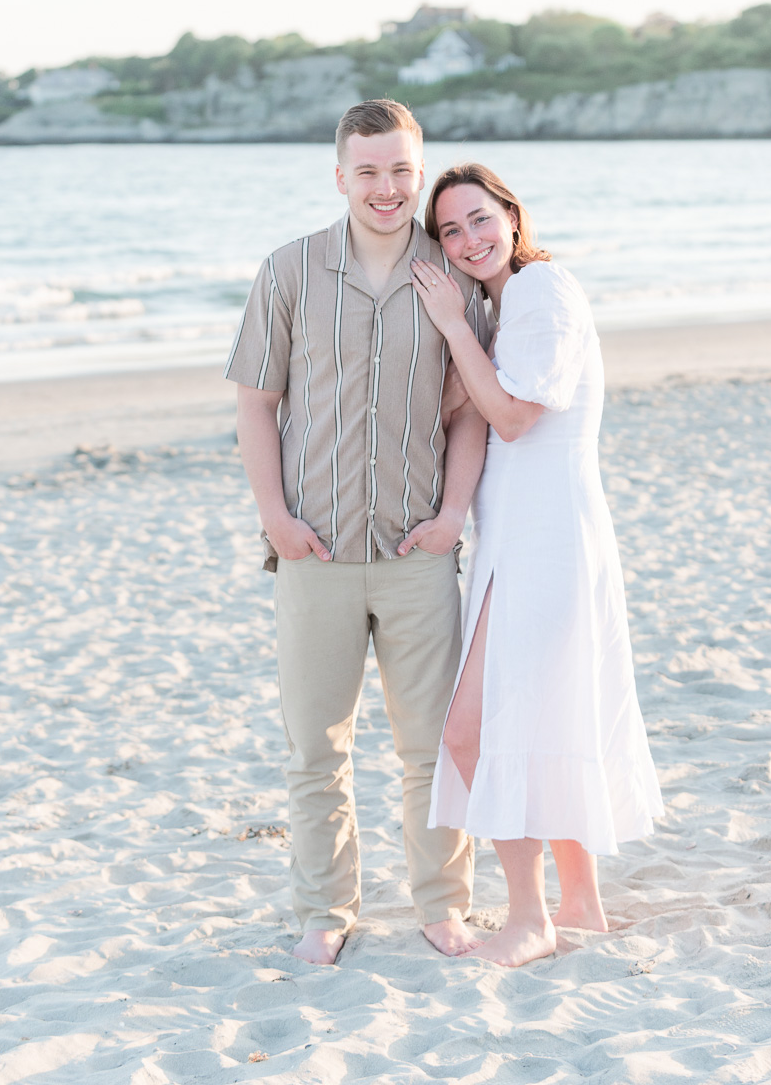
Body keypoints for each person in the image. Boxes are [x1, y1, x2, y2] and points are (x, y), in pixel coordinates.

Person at [225, 101, 492, 966]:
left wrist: (452, 517)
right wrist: (276, 519)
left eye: (401, 171)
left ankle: (443, 905)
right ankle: (323, 910)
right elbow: (256, 404)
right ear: (341, 176)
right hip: (317, 552)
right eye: (368, 171)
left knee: (431, 749)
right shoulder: (291, 271)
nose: (386, 188)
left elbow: (468, 415)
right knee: (316, 749)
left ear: (420, 174)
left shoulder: (450, 278)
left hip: (418, 555)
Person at [410, 162, 664, 968]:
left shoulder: (539, 292)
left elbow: (514, 418)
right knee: (545, 716)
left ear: (512, 216)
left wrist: (451, 326)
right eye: (450, 230)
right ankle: (580, 903)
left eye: (480, 219)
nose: (469, 239)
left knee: (472, 731)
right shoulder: (511, 300)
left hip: (544, 538)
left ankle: (530, 917)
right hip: (525, 534)